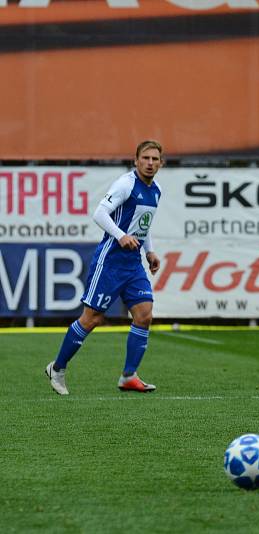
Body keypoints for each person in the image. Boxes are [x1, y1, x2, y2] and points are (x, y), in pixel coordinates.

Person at [45, 140, 165, 395]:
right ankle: (58, 368)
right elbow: (99, 214)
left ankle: (129, 376)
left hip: (133, 264)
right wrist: (121, 236)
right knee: (92, 319)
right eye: (146, 158)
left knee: (144, 315)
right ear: (136, 160)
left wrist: (149, 250)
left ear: (161, 163)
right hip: (110, 261)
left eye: (155, 159)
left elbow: (144, 224)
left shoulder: (156, 190)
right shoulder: (126, 184)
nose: (150, 163)